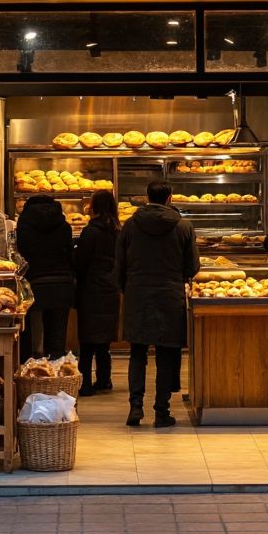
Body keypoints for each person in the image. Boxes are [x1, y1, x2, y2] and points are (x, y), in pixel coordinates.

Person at [117, 181, 199, 428]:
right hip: (169, 295)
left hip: (138, 294)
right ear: (170, 198)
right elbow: (192, 267)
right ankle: (162, 412)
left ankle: (135, 407)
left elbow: (119, 265)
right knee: (166, 355)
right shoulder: (183, 226)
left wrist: (127, 289)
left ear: (146, 197)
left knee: (137, 353)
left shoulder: (130, 226)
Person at [15, 195, 76, 359]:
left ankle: (29, 372)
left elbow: (22, 251)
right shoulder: (64, 225)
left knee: (27, 332)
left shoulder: (24, 224)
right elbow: (69, 253)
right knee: (57, 336)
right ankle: (55, 376)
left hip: (34, 282)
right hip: (61, 282)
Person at [73, 190, 121, 396]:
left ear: (96, 207)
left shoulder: (91, 232)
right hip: (110, 288)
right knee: (104, 341)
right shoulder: (119, 230)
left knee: (87, 341)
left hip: (90, 288)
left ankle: (84, 384)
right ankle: (104, 379)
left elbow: (80, 261)